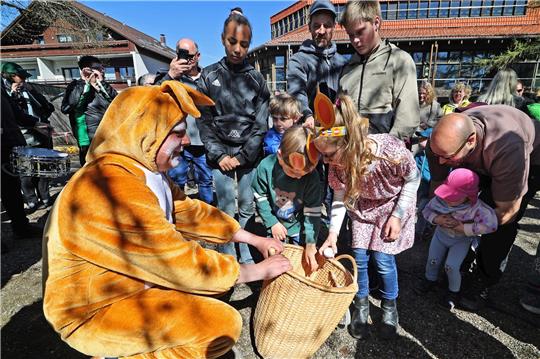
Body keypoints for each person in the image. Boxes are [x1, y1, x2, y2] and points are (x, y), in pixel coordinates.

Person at [42, 81, 291, 358]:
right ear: (146, 131)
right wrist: (253, 272)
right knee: (220, 325)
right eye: (178, 134)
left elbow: (189, 211)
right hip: (97, 307)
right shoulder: (107, 185)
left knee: (209, 299)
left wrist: (253, 238)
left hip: (138, 285)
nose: (186, 142)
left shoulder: (144, 169)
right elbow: (171, 259)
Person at [315, 94, 420, 340]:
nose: (326, 161)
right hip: (362, 208)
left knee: (383, 261)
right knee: (359, 258)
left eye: (329, 155)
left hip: (392, 207)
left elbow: (412, 179)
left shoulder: (389, 150)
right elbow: (340, 198)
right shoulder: (337, 166)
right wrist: (332, 234)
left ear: (348, 144)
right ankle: (361, 304)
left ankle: (389, 307)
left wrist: (398, 215)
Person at [428, 105, 540, 311]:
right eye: (438, 155)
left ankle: (484, 277)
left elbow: (506, 213)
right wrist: (437, 216)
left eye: (447, 157)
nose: (441, 161)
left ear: (470, 140)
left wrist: (467, 228)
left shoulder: (508, 147)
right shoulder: (441, 144)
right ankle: (459, 265)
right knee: (460, 203)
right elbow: (438, 185)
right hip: (475, 156)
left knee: (495, 223)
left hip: (528, 161)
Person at [198, 8, 270, 264]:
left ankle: (246, 250)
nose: (238, 49)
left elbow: (261, 124)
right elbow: (204, 121)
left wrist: (242, 156)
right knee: (226, 206)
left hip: (247, 156)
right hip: (220, 155)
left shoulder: (257, 80)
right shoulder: (208, 76)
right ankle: (227, 253)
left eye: (244, 44)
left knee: (248, 204)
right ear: (222, 39)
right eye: (232, 42)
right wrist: (219, 155)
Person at [416, 168, 498, 310]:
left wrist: (465, 228)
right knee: (432, 260)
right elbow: (426, 210)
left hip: (461, 241)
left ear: (469, 196)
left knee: (452, 266)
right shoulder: (440, 200)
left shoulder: (476, 208)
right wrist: (436, 218)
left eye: (454, 197)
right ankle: (430, 280)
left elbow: (491, 225)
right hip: (440, 236)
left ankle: (453, 292)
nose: (448, 199)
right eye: (447, 194)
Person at [339, 1, 419, 140]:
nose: (355, 40)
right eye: (350, 35)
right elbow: (339, 118)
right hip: (349, 155)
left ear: (376, 23)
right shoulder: (347, 70)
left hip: (385, 154)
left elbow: (408, 117)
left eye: (360, 32)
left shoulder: (399, 60)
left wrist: (387, 149)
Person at [253, 126, 322, 272]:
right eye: (293, 172)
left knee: (299, 263)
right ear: (279, 156)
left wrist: (311, 243)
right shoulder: (266, 167)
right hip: (276, 223)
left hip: (299, 224)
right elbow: (261, 197)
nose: (298, 177)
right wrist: (272, 223)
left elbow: (313, 211)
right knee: (275, 258)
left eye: (304, 174)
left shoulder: (312, 177)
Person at [156, 38, 213, 204]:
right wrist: (171, 75)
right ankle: (178, 218)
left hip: (204, 142)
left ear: (198, 56)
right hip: (178, 142)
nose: (187, 59)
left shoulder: (209, 77)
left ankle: (206, 218)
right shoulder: (170, 78)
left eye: (191, 56)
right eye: (183, 55)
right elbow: (153, 97)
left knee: (206, 181)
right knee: (176, 182)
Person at [1, 62, 55, 211]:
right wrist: (13, 95)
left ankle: (45, 197)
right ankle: (31, 200)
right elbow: (13, 115)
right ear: (11, 77)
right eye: (21, 77)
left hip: (41, 135)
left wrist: (33, 94)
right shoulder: (5, 92)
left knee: (43, 169)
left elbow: (48, 108)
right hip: (23, 137)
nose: (24, 80)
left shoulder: (30, 89)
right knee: (26, 173)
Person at [287, 0, 348, 128]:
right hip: (309, 129)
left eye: (327, 25)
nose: (321, 31)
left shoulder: (343, 63)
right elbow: (297, 92)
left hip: (338, 131)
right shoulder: (298, 60)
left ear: (334, 27)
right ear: (309, 27)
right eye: (316, 26)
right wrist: (307, 115)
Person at [1, 78, 43, 240]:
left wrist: (36, 123)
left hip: (9, 145)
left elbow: (14, 111)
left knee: (12, 190)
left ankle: (21, 227)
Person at [61, 55, 117, 166]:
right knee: (90, 168)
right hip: (87, 136)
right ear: (86, 69)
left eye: (102, 67)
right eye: (98, 68)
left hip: (108, 134)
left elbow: (117, 102)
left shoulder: (103, 85)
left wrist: (101, 84)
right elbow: (68, 106)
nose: (102, 70)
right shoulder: (75, 86)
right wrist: (85, 84)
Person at [414, 128, 433, 240]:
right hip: (420, 187)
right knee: (420, 210)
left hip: (430, 188)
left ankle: (420, 232)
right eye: (420, 137)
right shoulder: (420, 154)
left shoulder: (436, 155)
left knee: (423, 210)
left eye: (424, 138)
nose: (420, 139)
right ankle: (423, 229)